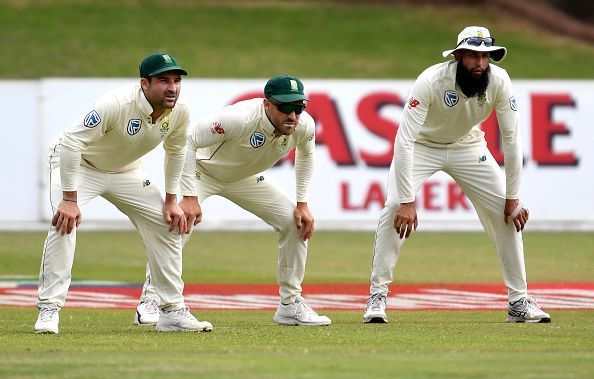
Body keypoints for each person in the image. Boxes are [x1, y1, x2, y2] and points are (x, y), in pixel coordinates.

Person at [363, 26, 551, 324]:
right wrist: (408, 200)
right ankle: (378, 296)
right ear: (459, 55)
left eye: (485, 56)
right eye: (473, 56)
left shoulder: (499, 81)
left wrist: (513, 197)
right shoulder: (432, 80)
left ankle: (518, 301)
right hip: (422, 146)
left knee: (508, 215)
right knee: (393, 207)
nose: (480, 63)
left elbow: (512, 140)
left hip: (468, 145)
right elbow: (404, 140)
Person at [34, 52, 213, 334]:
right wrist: (69, 199)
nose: (172, 87)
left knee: (169, 224)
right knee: (64, 225)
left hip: (125, 171)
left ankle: (170, 311)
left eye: (177, 81)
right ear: (145, 83)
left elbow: (176, 150)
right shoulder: (116, 104)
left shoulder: (180, 110)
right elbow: (71, 143)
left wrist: (170, 200)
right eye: (164, 80)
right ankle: (49, 309)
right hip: (80, 165)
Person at [136, 74, 331, 326]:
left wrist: (302, 203)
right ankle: (150, 299)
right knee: (178, 225)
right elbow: (189, 140)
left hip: (244, 178)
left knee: (294, 222)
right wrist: (190, 195)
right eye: (285, 108)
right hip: (202, 172)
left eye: (298, 108)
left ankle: (290, 304)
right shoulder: (239, 119)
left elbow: (306, 156)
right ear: (267, 105)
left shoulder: (304, 125)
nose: (292, 116)